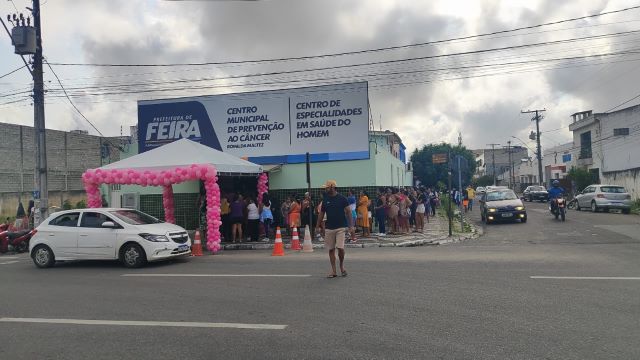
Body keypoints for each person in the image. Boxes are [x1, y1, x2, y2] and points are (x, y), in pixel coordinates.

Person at [316, 180, 352, 278]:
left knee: (340, 248)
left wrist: (351, 226)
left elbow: (348, 212)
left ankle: (341, 266)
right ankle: (334, 271)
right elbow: (321, 214)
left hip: (341, 227)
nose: (325, 189)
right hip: (329, 228)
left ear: (332, 187)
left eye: (327, 187)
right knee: (331, 249)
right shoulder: (325, 200)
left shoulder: (342, 198)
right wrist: (317, 226)